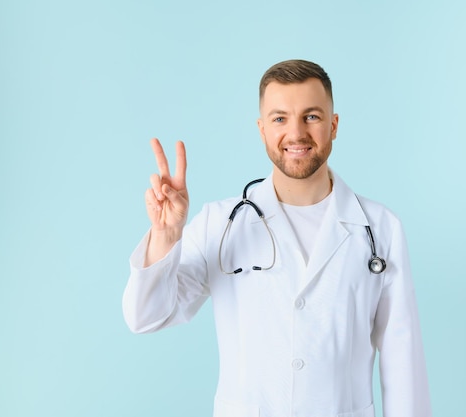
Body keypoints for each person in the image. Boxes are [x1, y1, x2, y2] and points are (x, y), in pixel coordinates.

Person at [123, 59, 431, 417]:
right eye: (280, 118)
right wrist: (166, 235)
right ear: (262, 129)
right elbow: (144, 317)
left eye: (312, 116)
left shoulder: (380, 228)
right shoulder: (220, 224)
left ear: (333, 125)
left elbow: (402, 359)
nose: (296, 133)